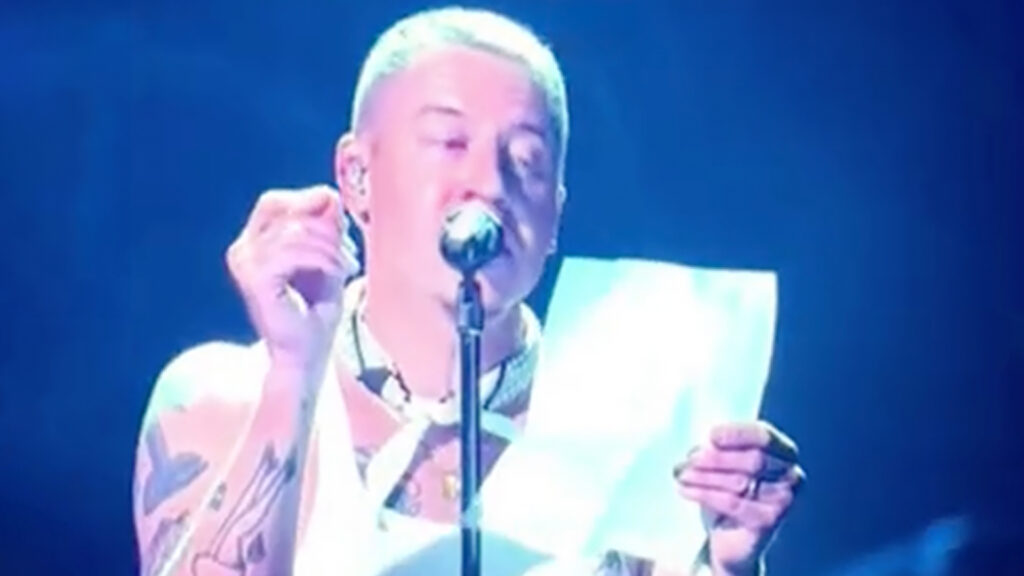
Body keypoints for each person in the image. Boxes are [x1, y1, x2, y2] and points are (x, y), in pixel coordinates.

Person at [131, 6, 805, 576]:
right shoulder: (225, 397)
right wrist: (294, 369)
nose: (489, 184)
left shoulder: (635, 427)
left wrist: (728, 564)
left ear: (554, 215)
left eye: (526, 160)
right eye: (449, 142)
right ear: (357, 176)